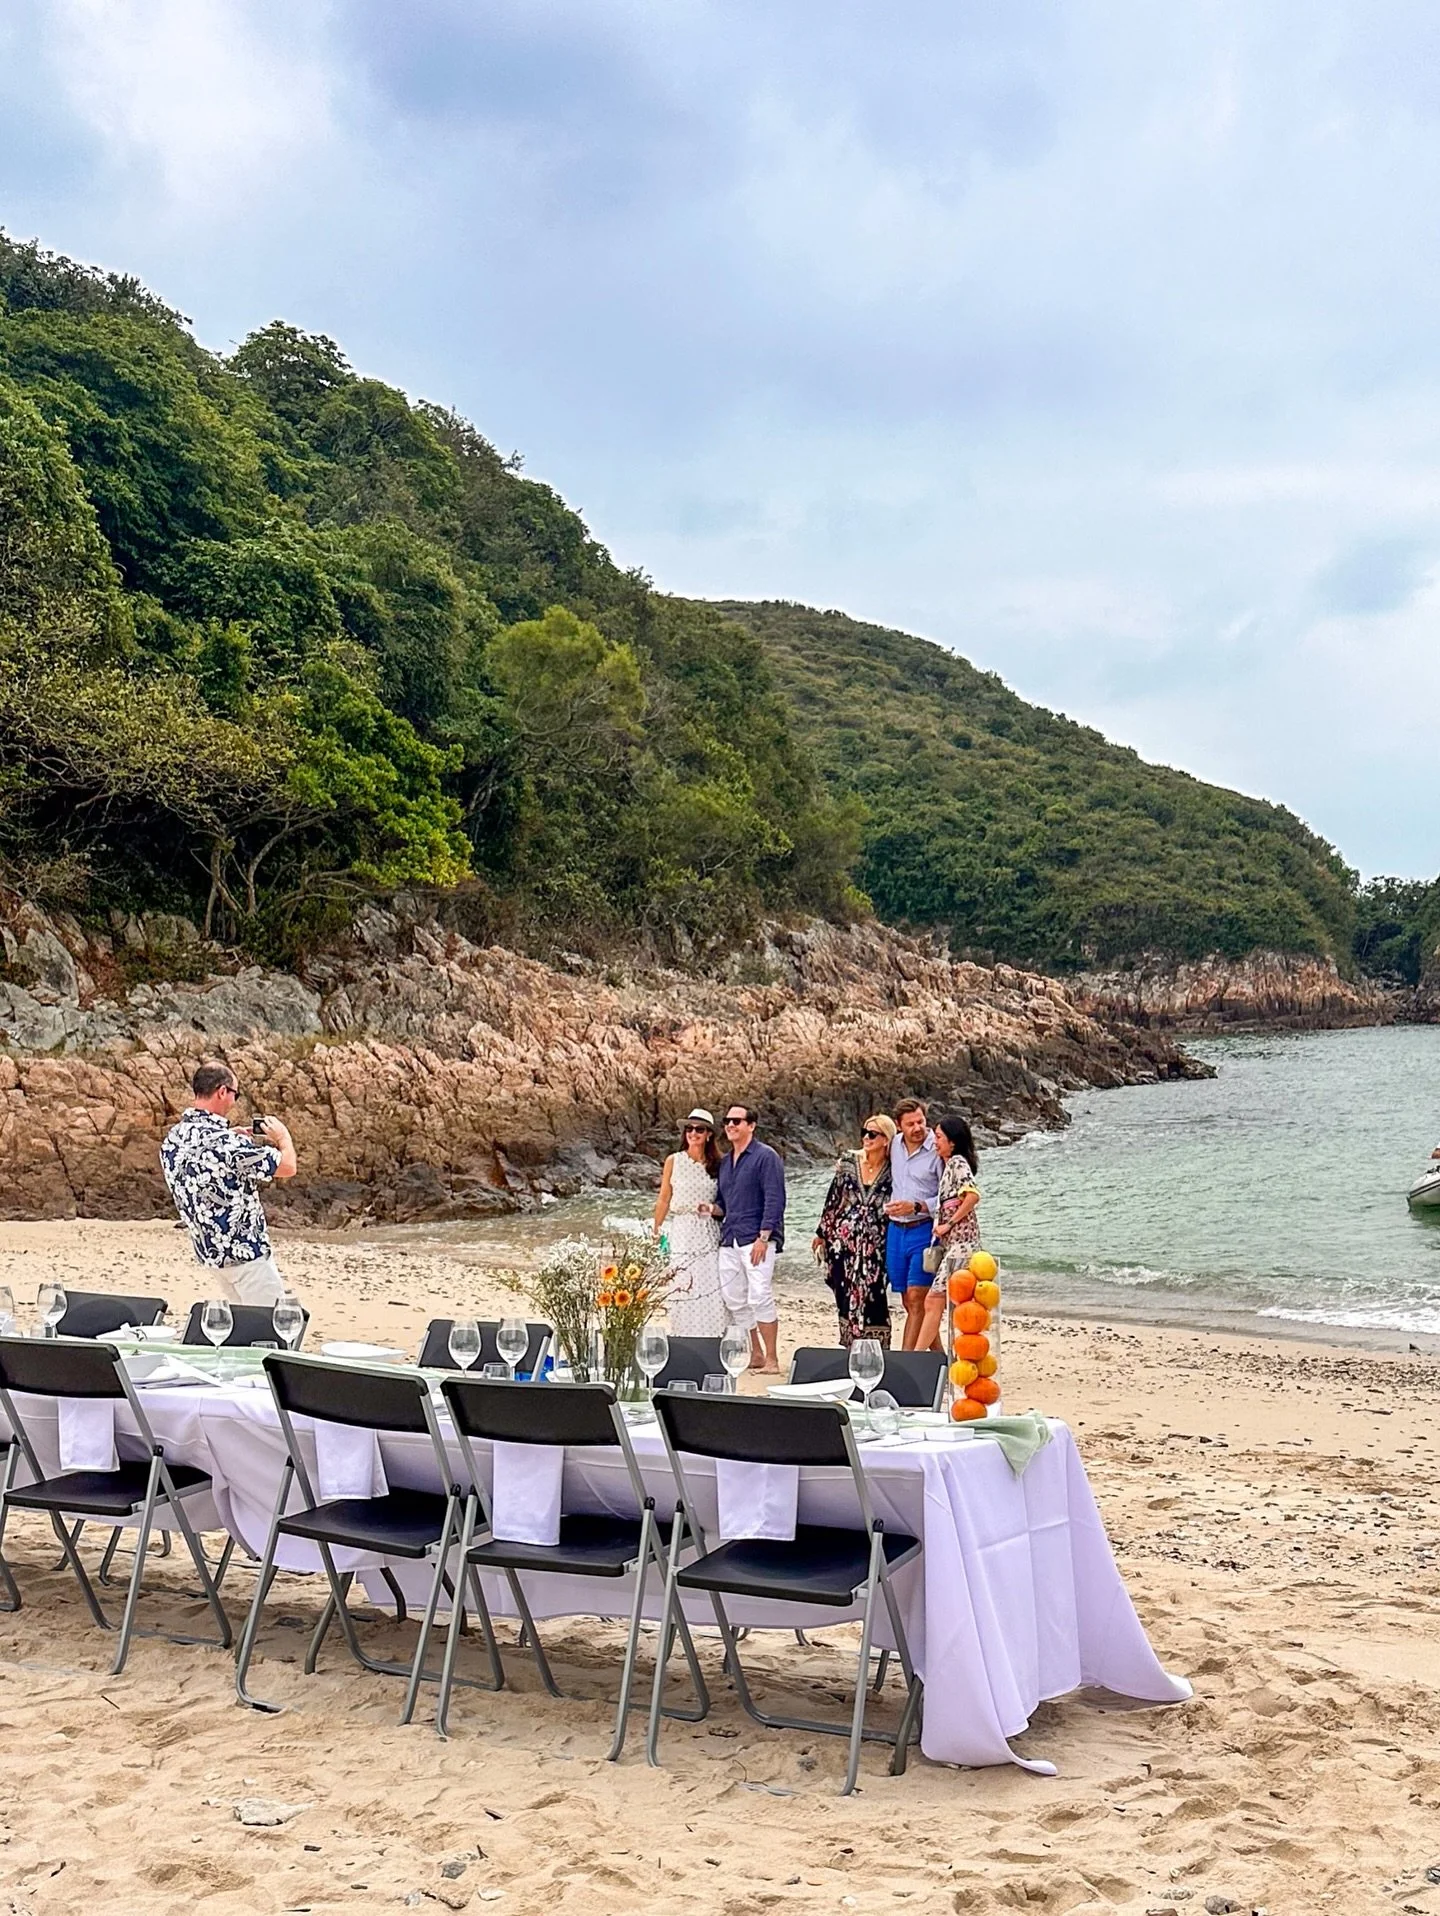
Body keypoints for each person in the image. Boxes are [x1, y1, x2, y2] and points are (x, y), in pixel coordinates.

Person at [160, 1061, 297, 1306]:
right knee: (272, 1330)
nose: (235, 1101)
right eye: (235, 1094)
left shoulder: (175, 1137)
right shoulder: (228, 1145)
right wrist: (283, 1138)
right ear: (222, 1092)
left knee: (242, 1330)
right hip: (247, 1257)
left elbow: (206, 1156)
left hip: (211, 1255)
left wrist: (231, 1137)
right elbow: (287, 1167)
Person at [812, 1114, 895, 1348]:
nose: (866, 1138)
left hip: (877, 1246)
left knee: (875, 1297)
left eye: (873, 1134)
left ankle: (876, 1349)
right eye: (865, 1133)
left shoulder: (895, 1170)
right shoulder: (848, 1162)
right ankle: (849, 1346)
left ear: (886, 1139)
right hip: (843, 1243)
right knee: (844, 1296)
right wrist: (821, 1233)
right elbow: (834, 1199)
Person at [715, 1104, 786, 1373]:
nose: (731, 1125)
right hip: (730, 1237)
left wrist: (764, 1236)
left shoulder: (766, 1157)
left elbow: (775, 1198)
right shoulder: (725, 1162)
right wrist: (711, 1209)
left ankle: (772, 1358)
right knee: (733, 1298)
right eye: (727, 1121)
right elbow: (725, 1203)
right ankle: (755, 1352)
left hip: (757, 1238)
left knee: (759, 1296)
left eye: (737, 1121)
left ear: (751, 1126)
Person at [653, 1108, 725, 1336]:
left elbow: (728, 1201)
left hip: (707, 1229)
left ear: (709, 1135)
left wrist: (714, 1210)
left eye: (699, 1129)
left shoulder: (719, 1164)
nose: (693, 1133)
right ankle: (683, 1333)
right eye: (689, 1129)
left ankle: (711, 1334)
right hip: (682, 1229)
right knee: (682, 1280)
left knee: (709, 1281)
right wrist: (656, 1228)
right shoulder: (674, 1161)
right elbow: (664, 1197)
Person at [920, 1115, 982, 1353]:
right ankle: (952, 1359)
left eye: (938, 1137)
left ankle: (916, 1358)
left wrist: (949, 1224)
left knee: (933, 1300)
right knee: (955, 1304)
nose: (934, 1142)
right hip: (956, 1246)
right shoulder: (950, 1165)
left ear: (952, 1142)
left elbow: (973, 1195)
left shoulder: (957, 1163)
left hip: (962, 1246)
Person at [886, 1097, 941, 1350]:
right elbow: (870, 1154)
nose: (918, 1128)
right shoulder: (894, 1145)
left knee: (918, 1298)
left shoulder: (937, 1150)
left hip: (924, 1229)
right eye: (911, 1124)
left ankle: (906, 1360)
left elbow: (948, 1196)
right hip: (896, 1231)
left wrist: (917, 1206)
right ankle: (940, 1357)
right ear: (899, 1126)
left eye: (921, 1121)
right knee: (908, 1301)